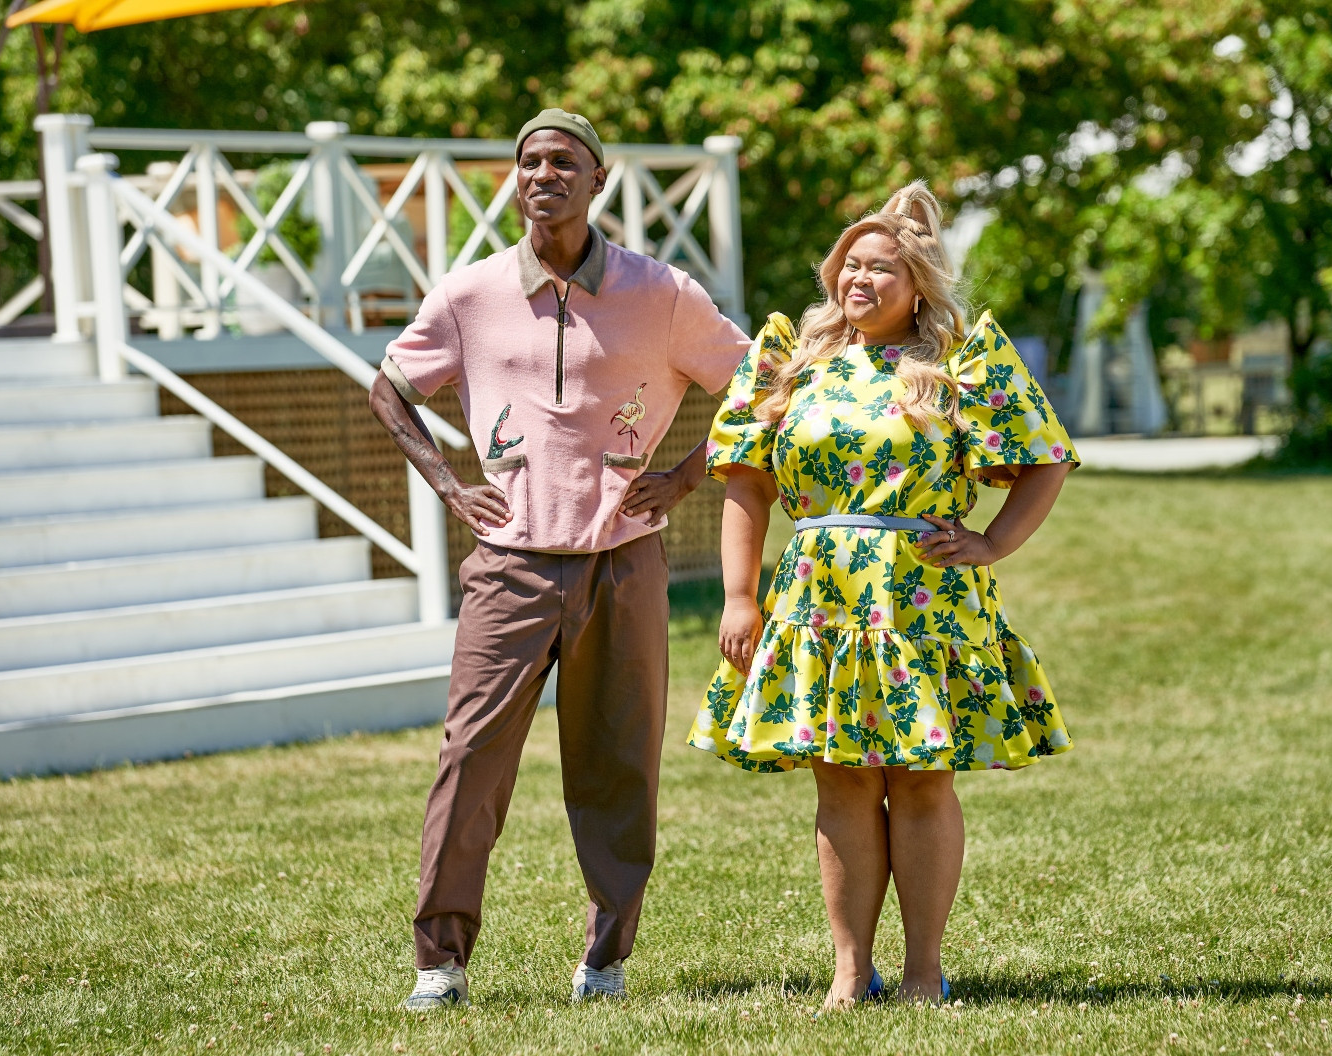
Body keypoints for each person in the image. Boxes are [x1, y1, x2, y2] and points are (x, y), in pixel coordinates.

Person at [370, 109, 751, 1008]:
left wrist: (690, 473)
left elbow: (762, 389)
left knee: (619, 764)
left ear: (598, 181)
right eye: (530, 161)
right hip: (507, 564)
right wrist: (449, 484)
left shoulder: (662, 294)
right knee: (471, 760)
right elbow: (390, 385)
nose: (544, 174)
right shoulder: (468, 294)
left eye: (565, 162)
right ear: (516, 180)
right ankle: (440, 962)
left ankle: (606, 960)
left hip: (625, 561)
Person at [686, 181, 1078, 1009]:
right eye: (850, 266)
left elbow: (1044, 455)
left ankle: (924, 972)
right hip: (819, 599)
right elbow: (747, 484)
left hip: (923, 599)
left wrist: (993, 541)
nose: (858, 281)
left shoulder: (962, 359)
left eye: (881, 270)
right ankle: (847, 969)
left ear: (920, 286)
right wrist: (738, 595)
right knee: (843, 779)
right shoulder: (792, 356)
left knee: (923, 778)